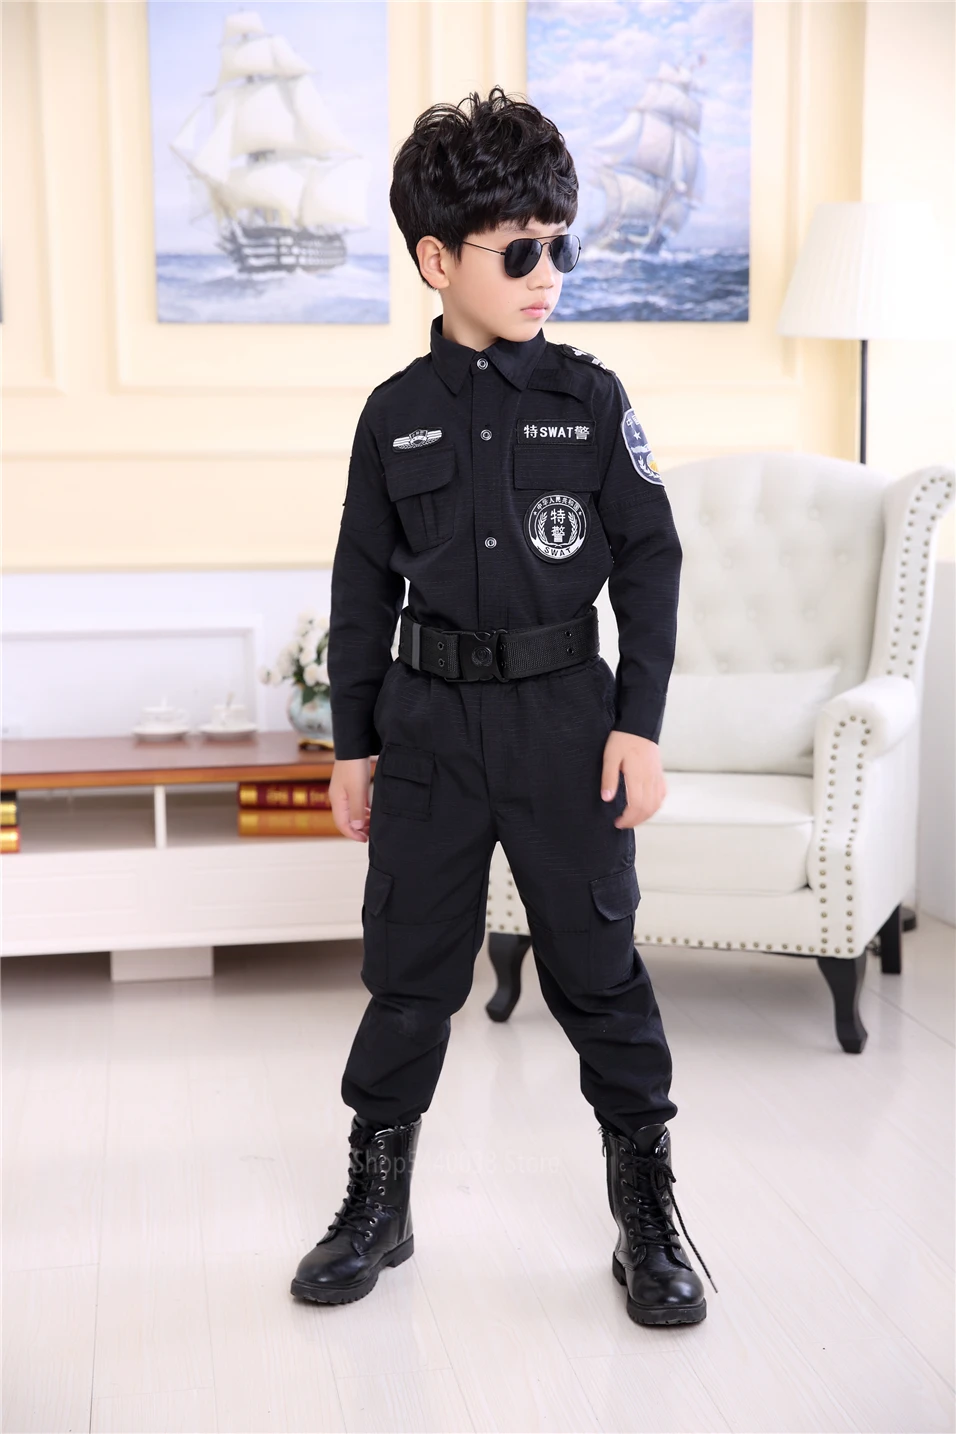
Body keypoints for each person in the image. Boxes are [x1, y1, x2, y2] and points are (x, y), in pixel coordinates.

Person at [290, 85, 717, 1326]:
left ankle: (645, 1212)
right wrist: (354, 743)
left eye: (558, 246)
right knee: (408, 973)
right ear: (437, 261)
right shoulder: (393, 417)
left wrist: (636, 723)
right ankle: (378, 1203)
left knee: (598, 972)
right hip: (426, 730)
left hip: (563, 728)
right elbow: (360, 587)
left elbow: (650, 561)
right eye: (516, 252)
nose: (547, 275)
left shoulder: (588, 401)